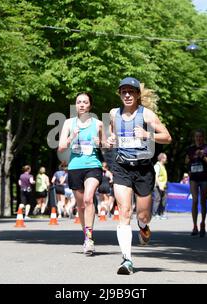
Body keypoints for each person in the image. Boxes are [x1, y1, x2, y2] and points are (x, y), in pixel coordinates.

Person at [107, 77, 172, 274]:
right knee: (124, 212)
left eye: (131, 92)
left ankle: (143, 226)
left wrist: (147, 135)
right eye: (123, 92)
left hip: (143, 169)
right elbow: (110, 135)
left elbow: (167, 137)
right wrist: (110, 140)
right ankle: (127, 260)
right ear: (120, 94)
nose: (127, 95)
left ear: (137, 95)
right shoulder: (112, 114)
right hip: (122, 168)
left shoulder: (147, 115)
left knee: (143, 215)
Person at [58, 93, 104, 256]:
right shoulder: (69, 123)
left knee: (88, 199)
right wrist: (72, 136)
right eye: (79, 102)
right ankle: (86, 236)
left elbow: (106, 146)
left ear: (90, 105)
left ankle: (89, 238)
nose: (82, 105)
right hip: (75, 167)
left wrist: (101, 144)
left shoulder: (98, 124)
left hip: (93, 165)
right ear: (76, 105)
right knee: (81, 206)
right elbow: (61, 148)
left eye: (85, 102)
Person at [185, 129, 207, 237]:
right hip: (193, 177)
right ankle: (194, 226)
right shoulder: (190, 149)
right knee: (195, 200)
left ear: (203, 137)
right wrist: (193, 156)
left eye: (200, 136)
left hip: (204, 178)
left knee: (202, 201)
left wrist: (203, 156)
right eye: (197, 136)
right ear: (194, 137)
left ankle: (202, 223)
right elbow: (186, 161)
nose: (198, 138)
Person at [152, 153, 168, 220]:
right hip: (158, 186)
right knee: (157, 200)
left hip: (163, 186)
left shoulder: (162, 166)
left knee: (163, 200)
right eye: (165, 158)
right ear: (162, 158)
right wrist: (159, 185)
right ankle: (154, 214)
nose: (166, 159)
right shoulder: (157, 166)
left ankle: (161, 214)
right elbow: (155, 176)